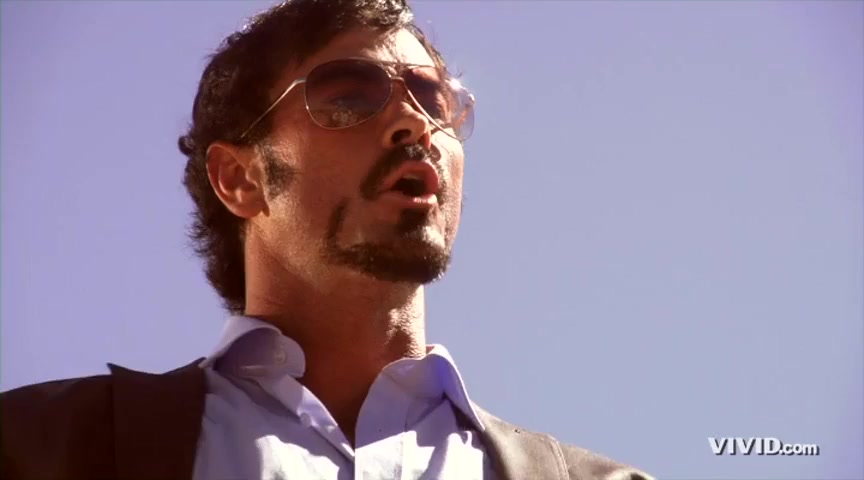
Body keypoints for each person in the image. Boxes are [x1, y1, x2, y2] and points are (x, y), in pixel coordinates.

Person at [0, 1, 653, 479]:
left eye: (433, 99)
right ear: (240, 179)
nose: (413, 122)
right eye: (350, 96)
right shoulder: (39, 446)